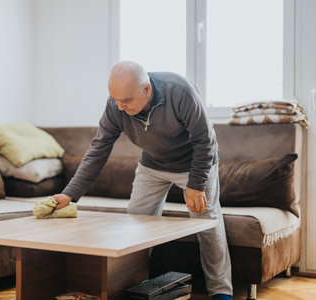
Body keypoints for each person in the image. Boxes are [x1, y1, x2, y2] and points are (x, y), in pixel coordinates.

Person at [52, 61, 233, 300]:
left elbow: (205, 141)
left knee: (208, 223)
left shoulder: (180, 91)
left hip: (194, 164)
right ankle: (133, 287)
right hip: (153, 166)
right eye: (115, 99)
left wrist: (196, 184)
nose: (120, 106)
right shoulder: (116, 106)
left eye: (126, 100)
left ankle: (221, 292)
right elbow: (98, 150)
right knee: (136, 224)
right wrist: (70, 194)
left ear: (146, 89)